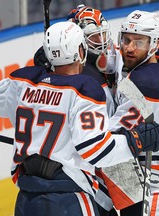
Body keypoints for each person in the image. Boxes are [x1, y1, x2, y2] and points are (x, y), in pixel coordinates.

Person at [0, 21, 159, 216]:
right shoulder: (84, 90)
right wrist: (135, 141)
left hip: (26, 201)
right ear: (80, 52)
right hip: (68, 200)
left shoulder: (22, 82)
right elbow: (96, 149)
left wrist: (38, 77)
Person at [34, 5, 122, 215]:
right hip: (91, 160)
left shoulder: (113, 57)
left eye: (102, 35)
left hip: (104, 151)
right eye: (92, 38)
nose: (100, 43)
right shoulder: (84, 79)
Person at [108, 10, 159, 216]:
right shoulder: (155, 60)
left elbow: (111, 136)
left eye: (138, 42)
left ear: (153, 44)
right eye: (126, 39)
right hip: (135, 168)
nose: (129, 48)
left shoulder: (149, 85)